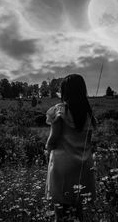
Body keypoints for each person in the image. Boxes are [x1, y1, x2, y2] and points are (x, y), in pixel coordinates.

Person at [45, 74, 97, 222]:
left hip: (62, 165)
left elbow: (53, 139)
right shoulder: (88, 113)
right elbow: (88, 141)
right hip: (84, 165)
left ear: (65, 91)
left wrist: (47, 149)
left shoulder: (60, 110)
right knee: (78, 209)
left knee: (60, 211)